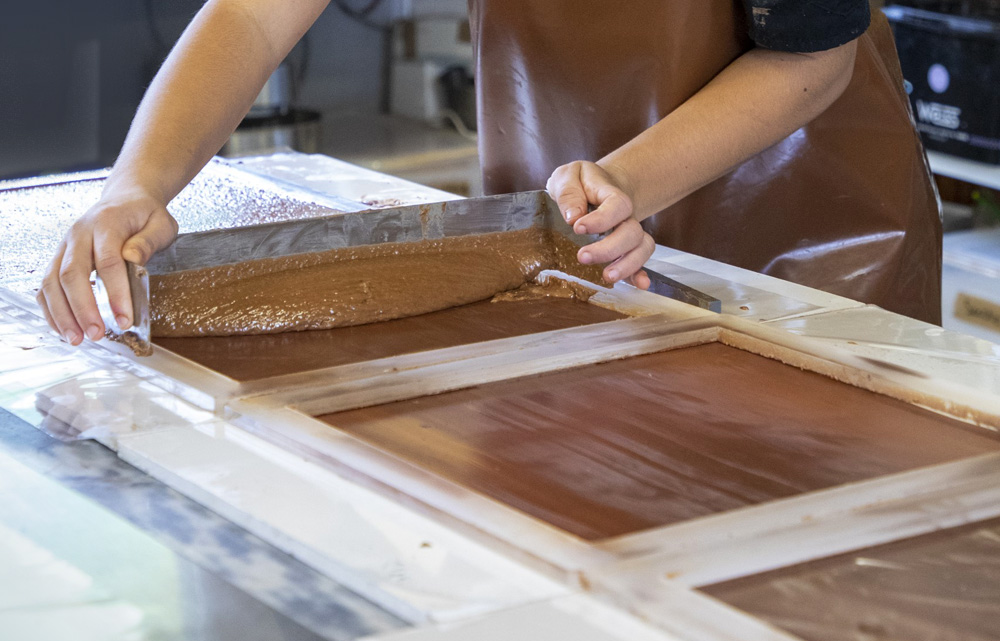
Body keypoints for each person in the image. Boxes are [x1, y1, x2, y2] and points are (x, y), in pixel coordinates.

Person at [37, 0, 941, 346]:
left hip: (810, 241)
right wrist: (138, 181)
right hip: (572, 229)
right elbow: (252, 17)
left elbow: (814, 59)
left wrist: (632, 180)